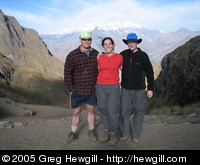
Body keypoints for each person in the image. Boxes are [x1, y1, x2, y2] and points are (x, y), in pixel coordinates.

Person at [64, 32, 99, 144]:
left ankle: (91, 130)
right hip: (78, 90)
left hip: (91, 90)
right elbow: (67, 73)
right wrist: (71, 89)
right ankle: (73, 133)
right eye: (84, 39)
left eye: (89, 39)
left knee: (91, 110)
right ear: (80, 40)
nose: (87, 41)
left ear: (91, 40)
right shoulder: (72, 55)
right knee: (76, 113)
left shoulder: (96, 54)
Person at [120, 33, 154, 143]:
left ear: (137, 43)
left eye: (133, 42)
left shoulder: (143, 56)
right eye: (129, 42)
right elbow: (112, 60)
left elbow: (150, 73)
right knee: (124, 112)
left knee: (139, 113)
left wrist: (150, 88)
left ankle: (135, 135)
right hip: (125, 89)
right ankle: (125, 133)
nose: (131, 44)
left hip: (140, 90)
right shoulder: (123, 54)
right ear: (127, 43)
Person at [96, 37, 123, 146]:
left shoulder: (119, 57)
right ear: (103, 46)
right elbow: (98, 71)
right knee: (103, 109)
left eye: (109, 44)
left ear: (113, 45)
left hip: (113, 87)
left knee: (112, 111)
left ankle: (113, 134)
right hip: (100, 86)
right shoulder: (99, 57)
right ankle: (106, 131)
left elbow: (124, 71)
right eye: (105, 44)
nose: (107, 46)